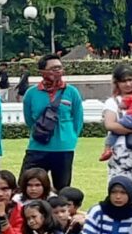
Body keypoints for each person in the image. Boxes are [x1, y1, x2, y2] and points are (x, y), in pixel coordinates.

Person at [19, 56, 84, 189]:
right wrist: (41, 131)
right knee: (26, 185)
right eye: (53, 69)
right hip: (38, 146)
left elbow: (77, 119)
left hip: (63, 147)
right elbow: (29, 120)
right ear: (42, 72)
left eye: (60, 68)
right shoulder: (31, 93)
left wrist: (70, 137)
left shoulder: (71, 92)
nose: (58, 71)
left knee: (62, 188)